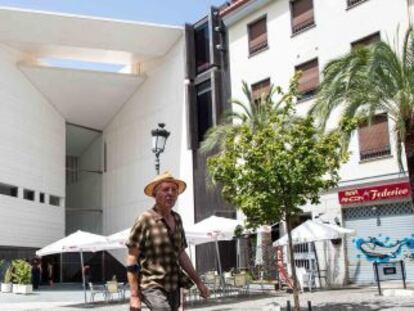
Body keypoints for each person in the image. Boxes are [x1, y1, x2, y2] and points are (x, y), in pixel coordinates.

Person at [126, 171, 210, 311]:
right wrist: (134, 295)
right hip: (151, 285)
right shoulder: (145, 219)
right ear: (155, 194)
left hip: (173, 285)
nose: (170, 193)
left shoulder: (177, 219)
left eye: (174, 190)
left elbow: (181, 254)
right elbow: (131, 257)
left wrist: (199, 283)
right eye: (165, 189)